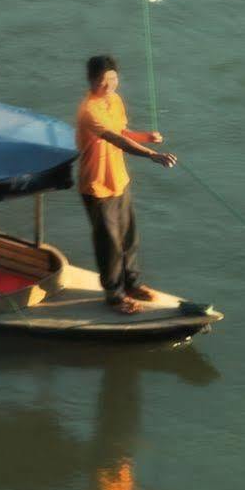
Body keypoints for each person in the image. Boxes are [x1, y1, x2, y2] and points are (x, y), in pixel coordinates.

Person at [75, 54, 174, 314]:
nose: (108, 86)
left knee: (129, 238)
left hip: (119, 180)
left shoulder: (114, 101)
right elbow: (114, 140)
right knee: (109, 244)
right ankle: (115, 295)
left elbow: (122, 132)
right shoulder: (89, 111)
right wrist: (152, 155)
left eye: (113, 80)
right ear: (91, 81)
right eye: (102, 82)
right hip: (97, 186)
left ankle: (132, 285)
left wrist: (146, 138)